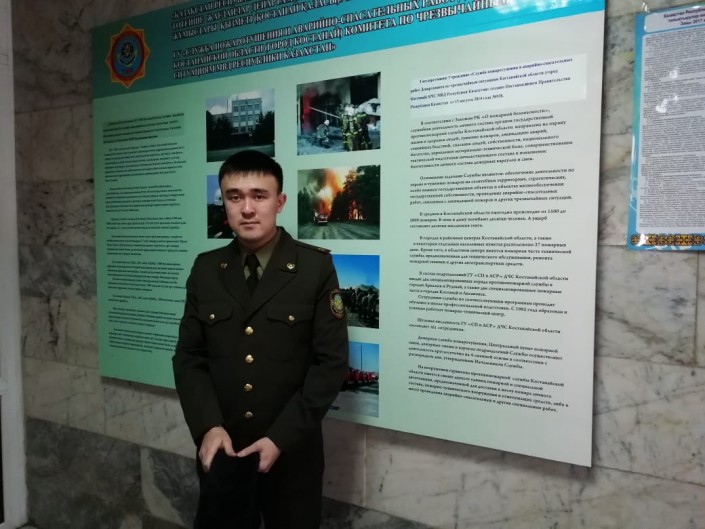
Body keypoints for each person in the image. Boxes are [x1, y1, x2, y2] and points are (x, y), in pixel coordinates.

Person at [173, 149, 349, 529]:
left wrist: (280, 438)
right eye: (235, 197)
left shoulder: (314, 268)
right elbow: (189, 358)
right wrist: (208, 427)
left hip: (291, 454)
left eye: (259, 195)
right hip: (225, 450)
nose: (247, 208)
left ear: (279, 202)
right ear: (224, 203)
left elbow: (330, 364)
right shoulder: (206, 269)